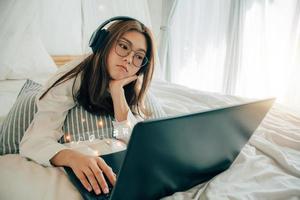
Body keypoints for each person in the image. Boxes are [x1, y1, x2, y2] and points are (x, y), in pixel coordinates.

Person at [20, 17, 155, 196]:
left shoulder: (131, 85)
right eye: (123, 46)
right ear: (103, 43)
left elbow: (134, 140)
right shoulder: (71, 76)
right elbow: (33, 141)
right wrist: (73, 158)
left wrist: (117, 92)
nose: (129, 59)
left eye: (138, 56)